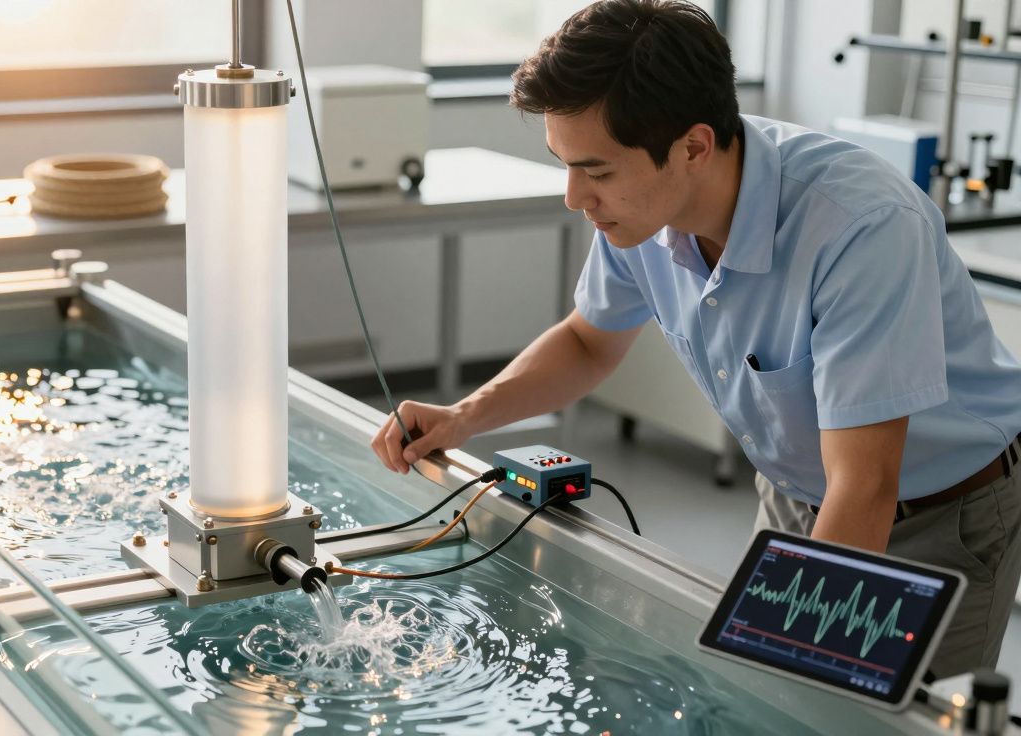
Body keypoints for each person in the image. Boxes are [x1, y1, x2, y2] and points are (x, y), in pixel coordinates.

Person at [370, 0, 1021, 677]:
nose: (574, 197)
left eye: (595, 171)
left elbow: (866, 484)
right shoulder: (642, 212)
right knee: (768, 704)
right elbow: (590, 342)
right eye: (564, 165)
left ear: (694, 146)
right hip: (796, 495)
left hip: (937, 514)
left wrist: (796, 663)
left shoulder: (860, 227)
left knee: (857, 716)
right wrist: (463, 416)